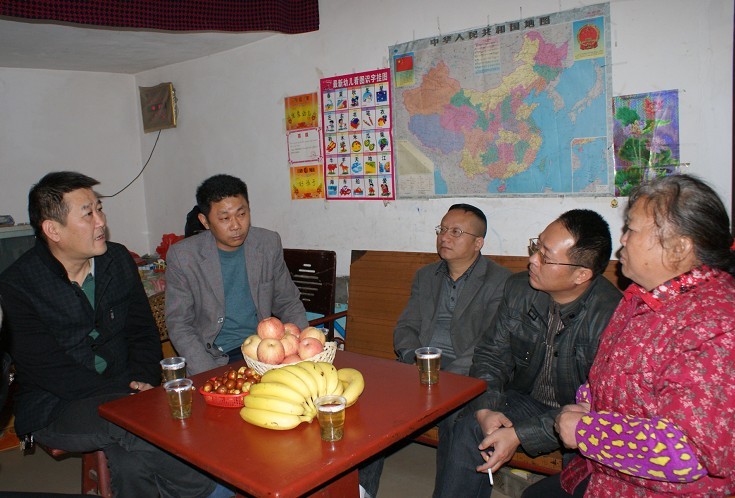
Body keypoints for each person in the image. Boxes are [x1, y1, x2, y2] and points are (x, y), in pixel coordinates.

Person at [0, 171, 229, 497]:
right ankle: (213, 488)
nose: (101, 222)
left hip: (126, 389)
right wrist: (128, 397)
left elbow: (142, 333)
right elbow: (49, 370)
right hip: (57, 404)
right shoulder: (18, 285)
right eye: (88, 214)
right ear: (53, 230)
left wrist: (140, 381)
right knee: (142, 424)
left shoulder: (116, 259)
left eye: (99, 209)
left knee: (132, 457)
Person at [529, 174, 735, 497]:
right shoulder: (640, 296)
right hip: (604, 475)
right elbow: (608, 374)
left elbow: (688, 452)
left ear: (679, 247)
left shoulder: (715, 325)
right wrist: (586, 404)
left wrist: (587, 431)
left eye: (632, 230)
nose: (622, 240)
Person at [434, 209, 623, 497]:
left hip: (578, 415)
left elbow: (602, 407)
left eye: (546, 257)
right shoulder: (519, 288)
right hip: (528, 400)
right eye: (536, 246)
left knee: (581, 469)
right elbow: (491, 354)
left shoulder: (612, 316)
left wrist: (520, 435)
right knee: (469, 425)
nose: (532, 260)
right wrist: (486, 408)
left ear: (581, 274)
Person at [361, 203, 512, 498]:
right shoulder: (426, 276)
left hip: (468, 372)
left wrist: (446, 375)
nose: (445, 237)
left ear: (478, 243)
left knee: (458, 421)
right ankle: (361, 489)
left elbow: (489, 342)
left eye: (456, 232)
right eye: (442, 229)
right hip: (420, 365)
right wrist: (414, 359)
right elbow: (406, 326)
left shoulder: (500, 281)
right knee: (373, 405)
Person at [166, 174, 308, 375]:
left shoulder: (267, 243)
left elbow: (288, 302)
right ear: (205, 221)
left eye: (242, 214)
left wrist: (303, 349)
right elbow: (180, 324)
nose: (236, 225)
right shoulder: (184, 257)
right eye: (224, 218)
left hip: (264, 352)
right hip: (213, 358)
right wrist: (209, 374)